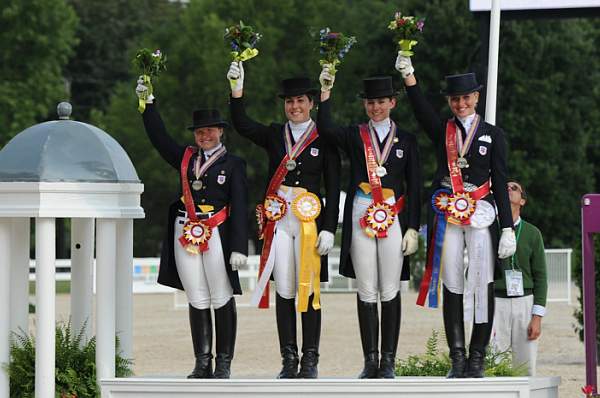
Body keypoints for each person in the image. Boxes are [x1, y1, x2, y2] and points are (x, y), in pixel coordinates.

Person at [396, 54, 516, 378]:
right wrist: (410, 77)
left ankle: (478, 356)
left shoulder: (493, 134)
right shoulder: (443, 130)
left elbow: (501, 182)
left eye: (466, 97)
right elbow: (421, 112)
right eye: (455, 99)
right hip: (447, 214)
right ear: (450, 101)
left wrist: (508, 228)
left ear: (476, 97)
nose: (461, 104)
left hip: (481, 214)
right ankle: (457, 357)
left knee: (482, 283)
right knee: (452, 284)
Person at [226, 61, 341, 379]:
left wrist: (330, 227)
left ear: (311, 103)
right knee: (286, 291)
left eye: (300, 101)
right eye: (290, 102)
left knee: (309, 291)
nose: (294, 106)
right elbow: (242, 124)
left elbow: (334, 185)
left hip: (308, 222)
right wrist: (237, 89)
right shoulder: (275, 135)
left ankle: (311, 359)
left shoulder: (325, 138)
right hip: (279, 219)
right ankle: (289, 359)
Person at [135, 78, 248, 379]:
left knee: (221, 294)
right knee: (196, 296)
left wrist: (238, 246)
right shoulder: (185, 159)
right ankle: (202, 361)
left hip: (217, 233)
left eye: (210, 130)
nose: (205, 135)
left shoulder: (234, 164)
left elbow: (240, 206)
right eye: (200, 131)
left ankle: (223, 361)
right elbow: (160, 139)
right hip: (185, 233)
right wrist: (148, 104)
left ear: (221, 131)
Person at [317, 67, 421, 379]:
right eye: (370, 103)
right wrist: (325, 93)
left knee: (389, 288)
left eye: (381, 102)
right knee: (366, 288)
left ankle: (388, 360)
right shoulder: (354, 135)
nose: (375, 107)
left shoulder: (407, 140)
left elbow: (415, 186)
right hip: (361, 210)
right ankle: (370, 360)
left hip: (392, 212)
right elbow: (325, 128)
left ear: (393, 103)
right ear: (365, 106)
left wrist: (413, 226)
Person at [492, 180, 547, 376]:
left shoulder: (533, 233)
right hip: (495, 303)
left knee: (525, 366)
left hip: (525, 302)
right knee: (493, 363)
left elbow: (541, 277)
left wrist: (537, 317)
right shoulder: (488, 230)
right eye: (504, 187)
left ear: (522, 201)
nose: (508, 189)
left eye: (513, 188)